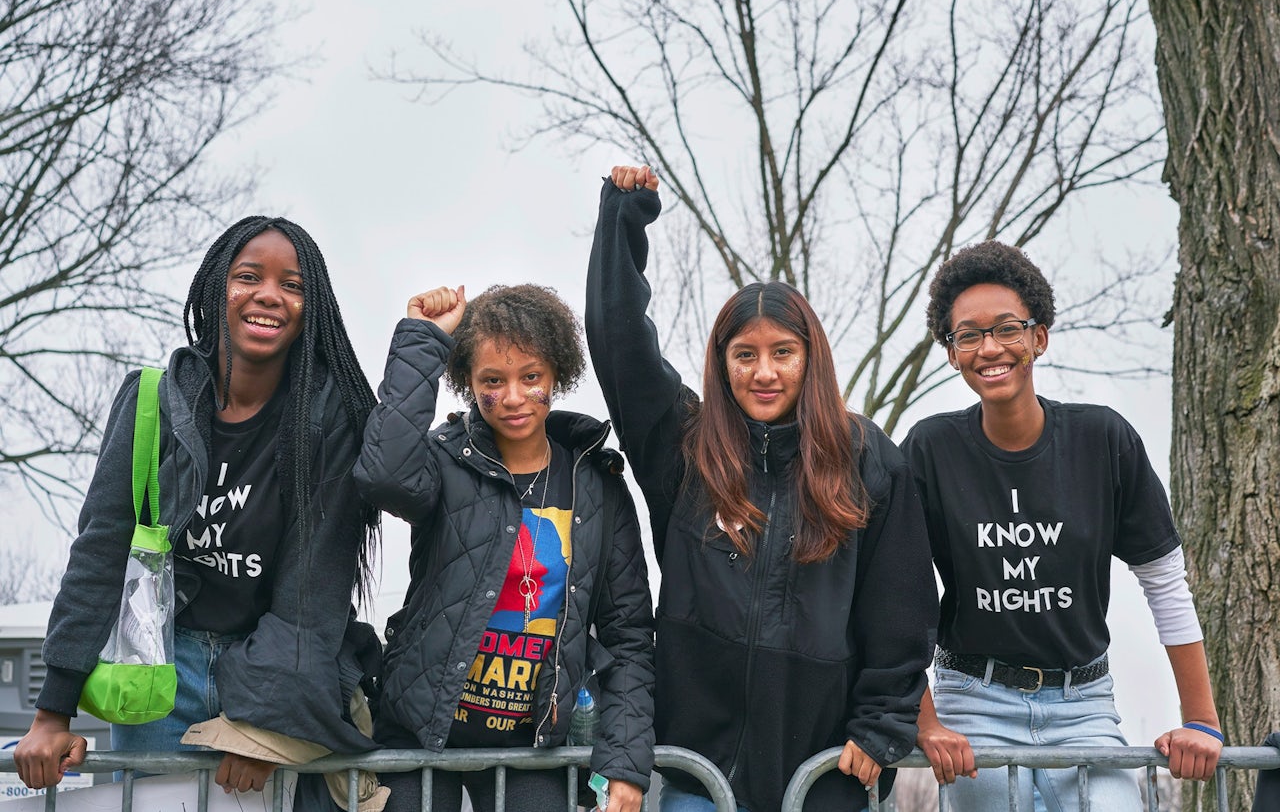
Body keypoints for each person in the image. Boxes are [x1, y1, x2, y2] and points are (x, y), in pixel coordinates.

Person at [585, 165, 938, 812]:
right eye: (744, 354)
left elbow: (902, 606)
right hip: (699, 778)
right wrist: (622, 216)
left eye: (783, 352)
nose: (764, 371)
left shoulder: (867, 459)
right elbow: (619, 344)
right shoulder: (685, 449)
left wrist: (881, 723)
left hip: (824, 778)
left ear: (810, 357)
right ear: (723, 363)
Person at [14, 217, 382, 799]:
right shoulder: (153, 403)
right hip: (159, 672)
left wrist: (266, 723)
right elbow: (100, 553)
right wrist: (51, 713)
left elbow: (313, 589)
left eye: (292, 285)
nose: (268, 295)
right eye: (248, 277)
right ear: (217, 289)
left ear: (311, 309)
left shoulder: (329, 419)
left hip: (265, 670)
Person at [901, 239, 1223, 810]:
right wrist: (928, 722)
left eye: (1008, 329)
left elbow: (1165, 582)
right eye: (968, 336)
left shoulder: (1103, 440)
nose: (989, 348)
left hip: (1084, 704)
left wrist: (1201, 721)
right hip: (973, 701)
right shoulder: (930, 449)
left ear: (1039, 338)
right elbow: (895, 595)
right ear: (951, 353)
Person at [354, 283, 655, 812]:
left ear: (557, 373)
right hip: (421, 733)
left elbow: (628, 635)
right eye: (492, 380)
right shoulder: (445, 462)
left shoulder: (598, 486)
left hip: (532, 749)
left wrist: (625, 763)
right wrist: (424, 339)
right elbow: (384, 476)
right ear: (469, 384)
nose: (513, 397)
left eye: (530, 377)